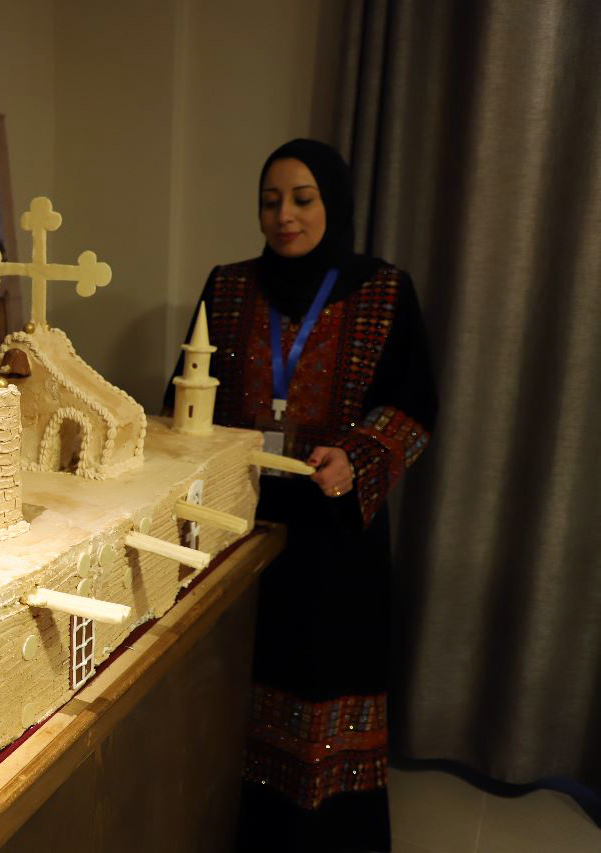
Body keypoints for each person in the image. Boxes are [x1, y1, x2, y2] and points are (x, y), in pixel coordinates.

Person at [163, 139, 437, 852]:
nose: (284, 215)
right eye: (270, 201)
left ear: (333, 204)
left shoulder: (383, 290)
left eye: (302, 199)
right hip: (239, 527)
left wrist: (357, 457)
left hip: (336, 538)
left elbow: (413, 407)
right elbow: (183, 397)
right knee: (240, 684)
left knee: (323, 689)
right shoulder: (228, 288)